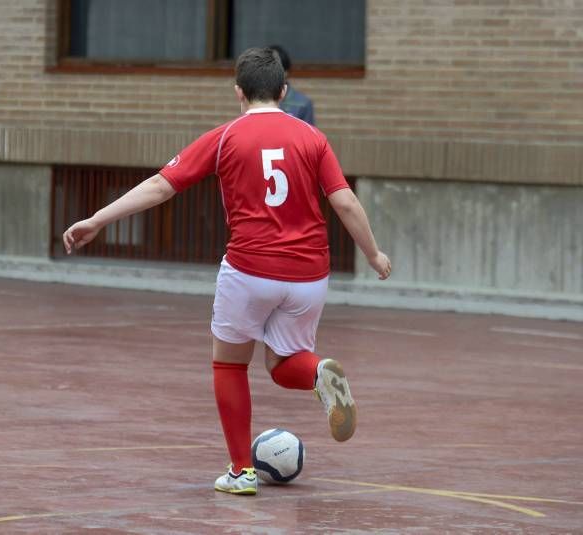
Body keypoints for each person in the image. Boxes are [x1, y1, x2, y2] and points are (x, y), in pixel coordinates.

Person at [63, 47, 391, 496]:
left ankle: (241, 472)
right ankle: (318, 375)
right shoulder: (313, 138)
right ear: (284, 90)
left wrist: (98, 218)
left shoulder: (224, 137)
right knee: (282, 365)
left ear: (238, 92)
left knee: (230, 363)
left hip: (249, 268)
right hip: (310, 273)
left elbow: (162, 186)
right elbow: (344, 201)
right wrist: (373, 255)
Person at [269, 45, 315, 125]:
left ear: (286, 71)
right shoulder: (254, 100)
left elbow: (308, 134)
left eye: (275, 69)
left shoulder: (303, 103)